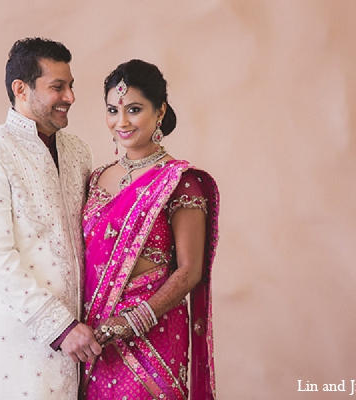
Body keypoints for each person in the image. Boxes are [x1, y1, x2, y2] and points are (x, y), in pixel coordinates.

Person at [0, 37, 101, 400]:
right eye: (58, 87)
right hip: (18, 344)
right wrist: (60, 327)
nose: (70, 96)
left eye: (70, 86)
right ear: (20, 89)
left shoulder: (77, 151)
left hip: (80, 344)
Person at [80, 59, 220, 399]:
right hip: (96, 333)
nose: (121, 121)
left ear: (160, 112)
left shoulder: (181, 182)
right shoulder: (96, 178)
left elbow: (190, 272)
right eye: (113, 110)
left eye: (134, 109)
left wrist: (134, 320)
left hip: (152, 331)